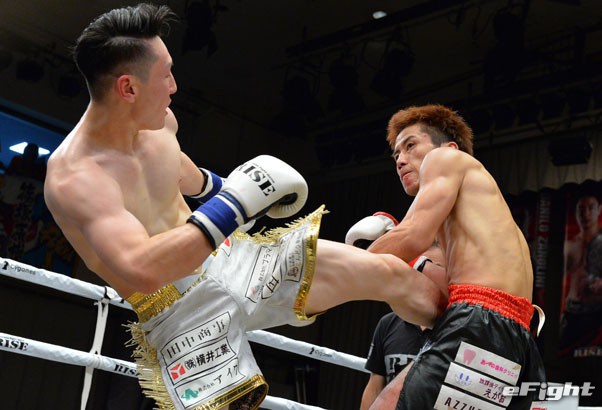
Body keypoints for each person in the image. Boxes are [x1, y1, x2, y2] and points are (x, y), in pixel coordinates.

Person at [43, 4, 446, 410]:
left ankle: (462, 336)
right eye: (165, 74)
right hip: (179, 311)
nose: (174, 86)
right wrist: (236, 203)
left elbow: (187, 176)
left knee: (389, 273)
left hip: (234, 257)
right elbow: (143, 268)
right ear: (128, 88)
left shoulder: (161, 124)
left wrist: (243, 193)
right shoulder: (76, 178)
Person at [347, 104, 546, 409]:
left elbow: (413, 236)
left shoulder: (447, 159)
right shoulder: (479, 220)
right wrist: (411, 261)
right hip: (516, 340)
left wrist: (346, 262)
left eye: (410, 146)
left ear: (449, 148)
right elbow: (447, 292)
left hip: (480, 325)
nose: (400, 160)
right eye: (396, 154)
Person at [360, 241, 445, 410]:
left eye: (434, 268)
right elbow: (375, 384)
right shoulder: (388, 323)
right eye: (421, 268)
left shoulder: (458, 325)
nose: (427, 275)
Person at [559, 180, 602, 356]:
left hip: (596, 317)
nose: (586, 214)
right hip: (571, 315)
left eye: (591, 208)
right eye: (581, 209)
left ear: (599, 209)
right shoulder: (569, 246)